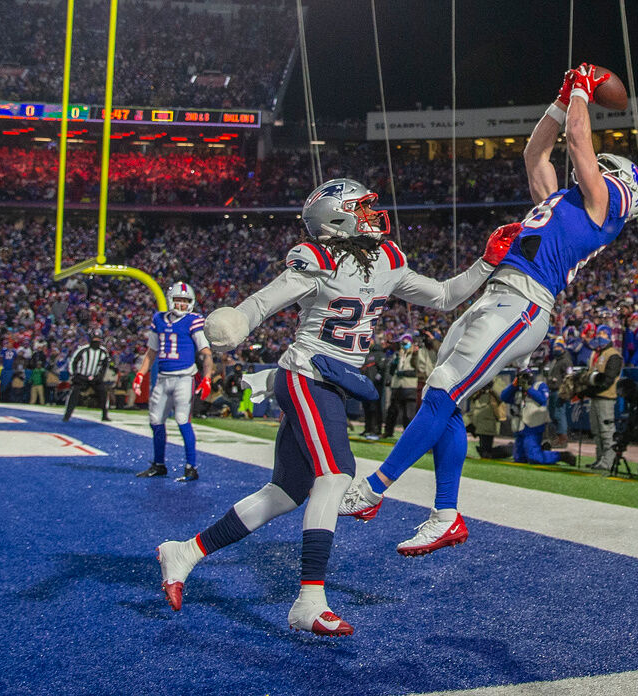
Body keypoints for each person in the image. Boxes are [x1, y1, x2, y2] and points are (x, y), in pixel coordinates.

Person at [154, 177, 514, 635]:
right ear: (337, 218)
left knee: (284, 493)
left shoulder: (387, 258)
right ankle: (309, 600)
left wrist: (486, 262)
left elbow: (443, 297)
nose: (372, 214)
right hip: (305, 375)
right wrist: (238, 320)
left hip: (329, 384)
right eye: (361, 207)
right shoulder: (316, 259)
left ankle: (184, 551)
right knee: (336, 475)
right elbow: (265, 301)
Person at [338, 64, 638, 556]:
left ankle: (372, 489)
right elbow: (535, 153)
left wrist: (584, 92)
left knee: (442, 387)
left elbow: (581, 147)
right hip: (496, 296)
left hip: (523, 303)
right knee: (444, 400)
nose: (589, 168)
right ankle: (445, 516)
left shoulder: (601, 207)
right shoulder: (567, 202)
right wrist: (560, 102)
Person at [134, 282, 214, 482]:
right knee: (155, 421)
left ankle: (191, 467)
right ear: (171, 300)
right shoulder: (158, 319)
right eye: (179, 300)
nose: (182, 305)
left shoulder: (194, 320)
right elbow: (151, 352)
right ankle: (159, 464)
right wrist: (141, 374)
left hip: (184, 379)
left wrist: (207, 378)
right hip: (162, 378)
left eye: (186, 301)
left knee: (182, 420)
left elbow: (206, 353)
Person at [500, 368, 576, 466]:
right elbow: (503, 397)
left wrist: (528, 388)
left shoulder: (539, 386)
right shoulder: (516, 390)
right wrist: (513, 385)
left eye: (525, 376)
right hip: (519, 426)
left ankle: (561, 456)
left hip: (533, 426)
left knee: (534, 457)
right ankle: (544, 450)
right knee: (519, 458)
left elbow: (542, 399)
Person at [582, 325, 623, 471]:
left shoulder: (613, 355)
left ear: (610, 336)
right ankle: (600, 458)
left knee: (606, 431)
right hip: (596, 397)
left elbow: (608, 379)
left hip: (606, 397)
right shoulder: (596, 354)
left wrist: (591, 390)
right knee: (596, 431)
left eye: (604, 334)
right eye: (599, 333)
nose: (600, 336)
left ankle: (609, 461)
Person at [63, 330, 111, 422]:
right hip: (82, 377)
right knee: (74, 394)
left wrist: (100, 376)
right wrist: (74, 375)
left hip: (96, 378)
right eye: (94, 339)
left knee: (104, 393)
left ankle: (105, 415)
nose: (96, 341)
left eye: (98, 339)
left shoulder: (103, 351)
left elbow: (105, 365)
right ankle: (67, 415)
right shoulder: (83, 349)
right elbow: (73, 361)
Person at [382, 334, 418, 438]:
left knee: (408, 414)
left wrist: (404, 373)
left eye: (405, 343)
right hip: (397, 386)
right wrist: (394, 363)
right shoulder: (398, 355)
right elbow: (393, 371)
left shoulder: (415, 355)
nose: (403, 345)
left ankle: (408, 435)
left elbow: (418, 371)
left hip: (409, 386)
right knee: (392, 411)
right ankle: (388, 432)